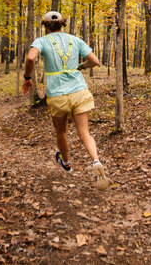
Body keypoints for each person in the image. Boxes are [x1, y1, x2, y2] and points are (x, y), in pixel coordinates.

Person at [22, 11, 109, 189]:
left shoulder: (42, 41)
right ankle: (96, 161)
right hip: (79, 91)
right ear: (62, 24)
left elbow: (31, 57)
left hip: (57, 95)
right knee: (85, 133)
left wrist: (27, 77)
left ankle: (67, 163)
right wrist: (80, 66)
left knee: (61, 131)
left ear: (46, 26)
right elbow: (94, 61)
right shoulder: (75, 40)